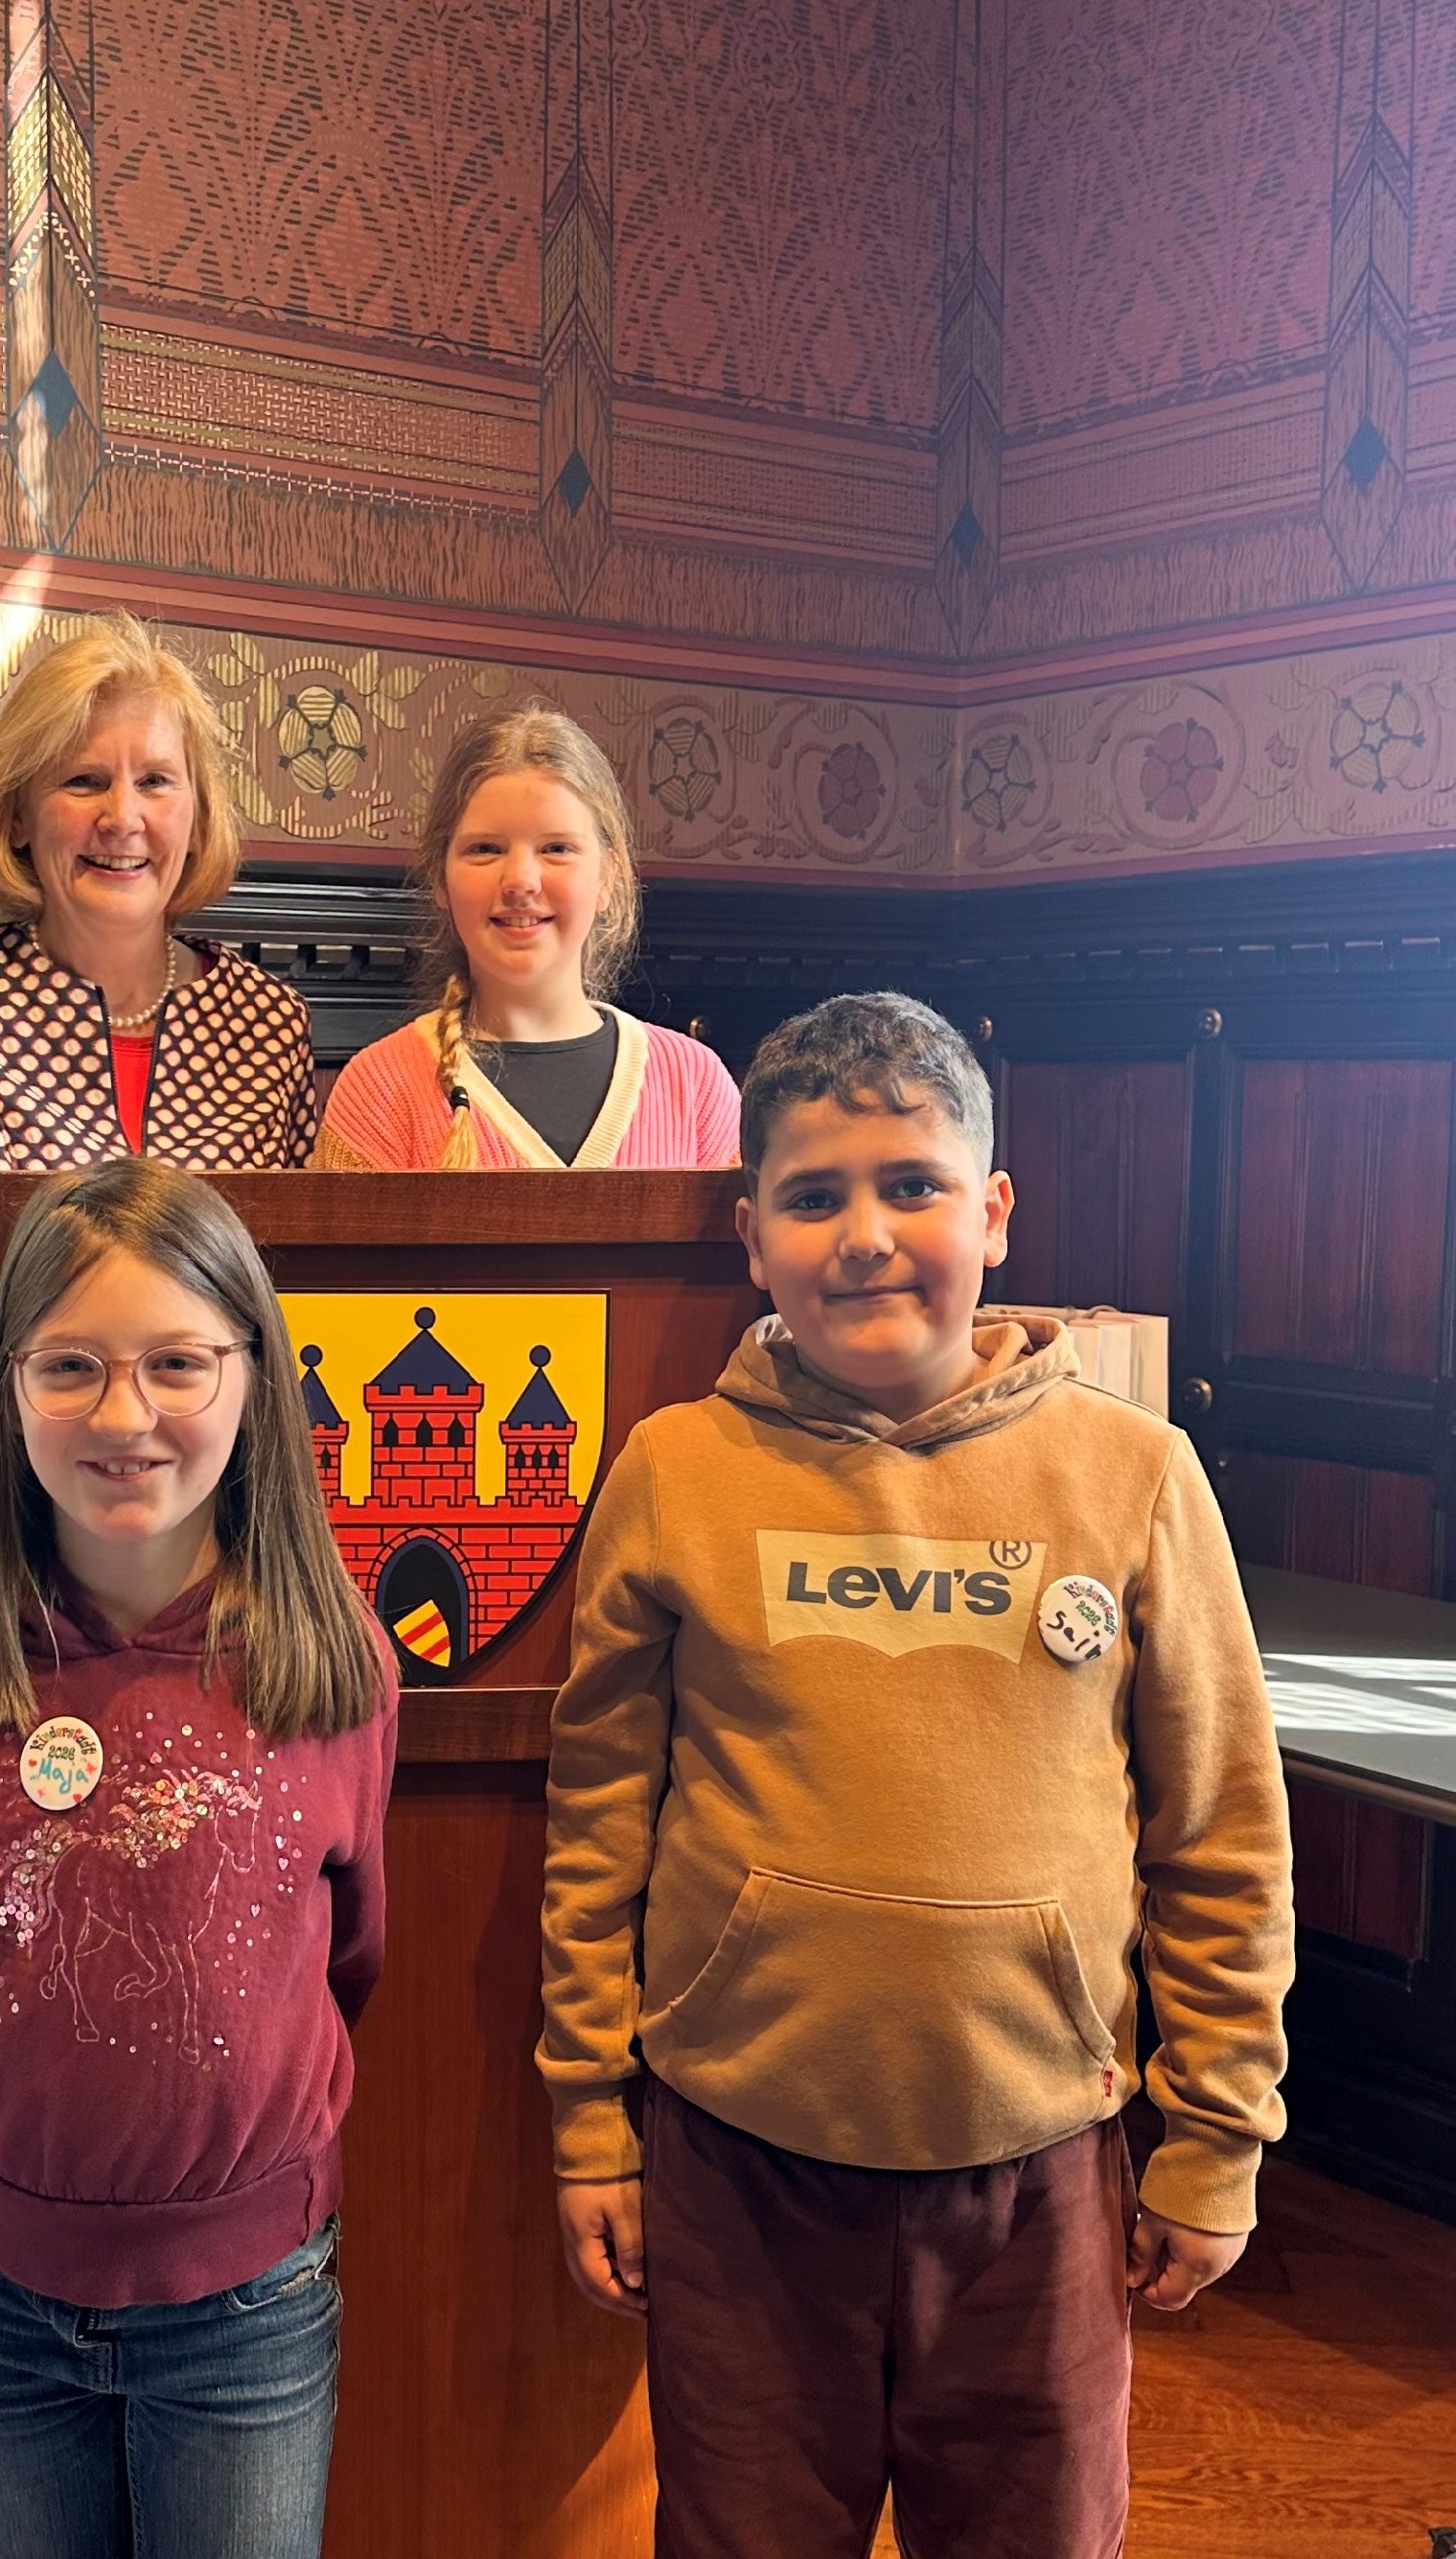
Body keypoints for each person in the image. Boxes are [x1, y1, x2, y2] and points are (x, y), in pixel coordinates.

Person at [536, 990, 1293, 2559]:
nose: (865, 1236)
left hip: (1038, 2170)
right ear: (752, 1236)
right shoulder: (674, 1470)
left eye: (912, 1185)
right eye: (813, 1196)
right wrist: (590, 2121)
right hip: (733, 2166)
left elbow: (1220, 1828)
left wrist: (1216, 2133)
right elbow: (599, 1817)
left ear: (993, 1212)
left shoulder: (1135, 1476)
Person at [0, 612, 316, 2557]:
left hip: (198, 1592)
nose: (121, 813)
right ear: (20, 810)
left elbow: (271, 1311)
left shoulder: (263, 1026)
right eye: (84, 777)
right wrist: (19, 1419)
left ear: (200, 811)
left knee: (191, 1990)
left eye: (154, 778)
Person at [0, 1159, 398, 2559]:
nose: (123, 1415)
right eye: (70, 1366)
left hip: (244, 2304)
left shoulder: (331, 1671)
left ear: (254, 1375)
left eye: (176, 1362)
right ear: (5, 1386)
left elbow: (346, 1956)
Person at [312, 707, 738, 1171]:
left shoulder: (696, 1086)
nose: (520, 881)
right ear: (440, 877)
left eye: (557, 848)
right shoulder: (376, 1094)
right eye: (485, 849)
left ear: (607, 876)